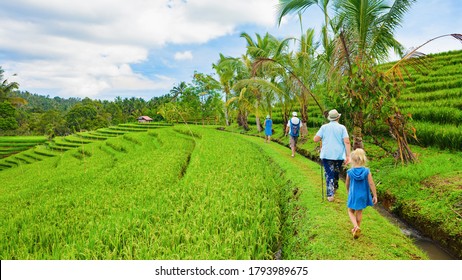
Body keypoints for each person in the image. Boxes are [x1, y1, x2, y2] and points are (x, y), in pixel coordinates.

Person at [313, 109, 351, 202]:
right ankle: (335, 186)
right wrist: (348, 156)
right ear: (338, 117)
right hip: (338, 155)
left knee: (329, 173)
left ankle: (330, 194)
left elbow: (315, 139)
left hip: (327, 154)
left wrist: (321, 137)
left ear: (329, 118)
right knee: (336, 171)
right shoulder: (342, 128)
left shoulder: (324, 127)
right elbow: (347, 141)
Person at [345, 148, 378, 239]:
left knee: (350, 211)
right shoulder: (366, 171)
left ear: (352, 160)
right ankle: (357, 229)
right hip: (363, 194)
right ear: (363, 159)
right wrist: (374, 195)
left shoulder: (350, 172)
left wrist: (348, 191)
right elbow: (371, 183)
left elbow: (347, 183)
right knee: (359, 211)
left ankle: (356, 226)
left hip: (354, 194)